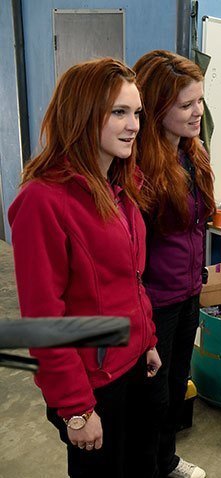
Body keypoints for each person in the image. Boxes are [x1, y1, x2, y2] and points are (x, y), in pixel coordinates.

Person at [8, 58, 162, 478]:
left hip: (134, 366)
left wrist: (146, 338)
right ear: (82, 113)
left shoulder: (121, 186)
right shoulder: (43, 200)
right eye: (118, 112)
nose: (133, 125)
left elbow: (130, 280)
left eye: (137, 114)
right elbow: (43, 318)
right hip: (93, 384)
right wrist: (75, 407)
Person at [133, 50, 215, 478]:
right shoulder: (137, 167)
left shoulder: (191, 152)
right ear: (157, 106)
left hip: (187, 293)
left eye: (200, 100)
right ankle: (150, 465)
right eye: (186, 105)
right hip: (155, 302)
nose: (198, 111)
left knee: (177, 384)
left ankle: (166, 461)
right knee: (153, 397)